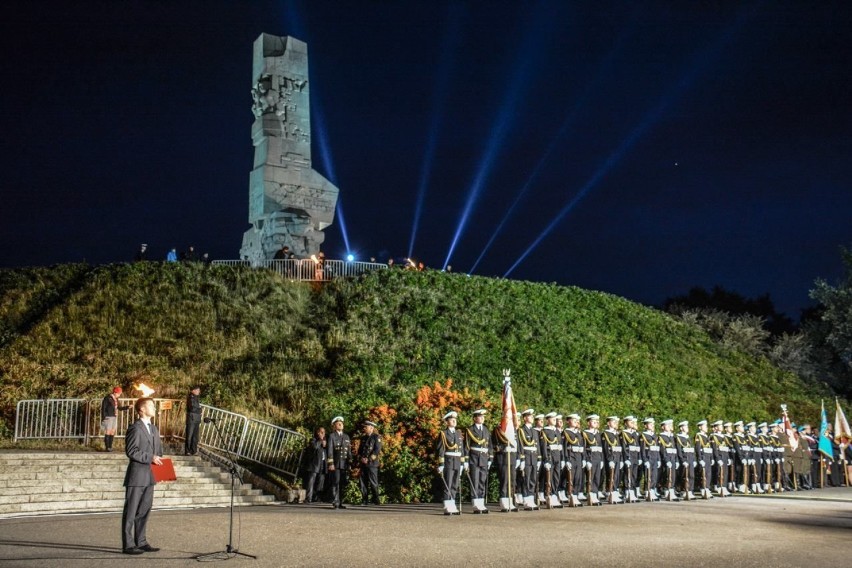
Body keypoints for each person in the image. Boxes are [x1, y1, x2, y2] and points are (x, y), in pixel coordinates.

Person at [121, 397, 163, 555]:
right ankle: (128, 544)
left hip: (150, 476)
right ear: (142, 409)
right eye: (151, 406)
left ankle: (142, 541)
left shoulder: (154, 429)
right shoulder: (135, 428)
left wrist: (160, 463)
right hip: (137, 476)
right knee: (131, 511)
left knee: (144, 510)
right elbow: (131, 451)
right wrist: (150, 457)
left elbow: (158, 451)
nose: (154, 408)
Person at [436, 411, 465, 515]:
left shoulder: (458, 433)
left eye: (455, 419)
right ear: (447, 422)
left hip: (457, 461)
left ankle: (452, 504)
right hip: (448, 460)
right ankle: (447, 505)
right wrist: (441, 464)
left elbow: (461, 449)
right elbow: (441, 449)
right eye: (451, 419)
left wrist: (463, 463)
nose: (454, 421)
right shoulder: (443, 434)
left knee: (454, 484)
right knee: (447, 483)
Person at [464, 409, 493, 513]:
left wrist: (490, 458)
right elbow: (467, 446)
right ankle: (475, 503)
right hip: (474, 458)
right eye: (480, 416)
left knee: (482, 481)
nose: (482, 418)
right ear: (475, 418)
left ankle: (481, 503)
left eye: (483, 416)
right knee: (475, 480)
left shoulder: (486, 429)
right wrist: (466, 461)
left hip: (484, 458)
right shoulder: (470, 430)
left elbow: (490, 445)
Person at [492, 413, 519, 512]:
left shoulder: (513, 430)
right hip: (503, 458)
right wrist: (503, 448)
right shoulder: (498, 430)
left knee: (512, 480)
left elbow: (517, 443)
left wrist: (519, 456)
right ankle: (504, 501)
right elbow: (494, 445)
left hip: (512, 457)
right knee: (504, 481)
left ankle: (510, 501)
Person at [326, 416, 351, 509]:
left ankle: (340, 502)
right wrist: (330, 463)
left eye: (341, 423)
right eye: (338, 423)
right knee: (336, 482)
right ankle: (335, 501)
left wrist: (350, 463)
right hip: (336, 463)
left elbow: (348, 451)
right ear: (334, 426)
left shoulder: (346, 436)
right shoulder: (332, 436)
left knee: (342, 483)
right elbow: (330, 451)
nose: (340, 424)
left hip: (344, 464)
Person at [518, 409, 541, 510]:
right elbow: (520, 445)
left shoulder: (534, 431)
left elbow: (537, 446)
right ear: (524, 418)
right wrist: (521, 459)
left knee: (533, 479)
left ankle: (531, 499)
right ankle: (526, 499)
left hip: (534, 458)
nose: (532, 417)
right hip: (526, 457)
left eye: (532, 416)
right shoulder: (521, 430)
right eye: (530, 416)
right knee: (526, 479)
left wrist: (539, 458)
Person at [562, 413, 585, 506]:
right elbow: (564, 447)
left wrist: (584, 458)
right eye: (573, 419)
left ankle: (575, 495)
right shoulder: (566, 432)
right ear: (568, 421)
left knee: (578, 478)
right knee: (571, 478)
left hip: (579, 457)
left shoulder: (578, 433)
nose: (576, 421)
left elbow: (582, 446)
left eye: (576, 420)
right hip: (571, 457)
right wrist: (566, 459)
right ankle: (570, 494)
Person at [357, 420, 382, 506]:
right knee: (363, 482)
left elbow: (377, 450)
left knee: (373, 482)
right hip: (363, 464)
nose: (364, 428)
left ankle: (376, 499)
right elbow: (360, 450)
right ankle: (364, 500)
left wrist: (369, 459)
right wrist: (361, 458)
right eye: (364, 427)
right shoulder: (363, 438)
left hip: (372, 464)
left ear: (371, 428)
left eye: (366, 427)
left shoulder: (376, 437)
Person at [602, 416, 624, 504]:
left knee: (617, 476)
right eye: (613, 422)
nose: (616, 424)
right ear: (608, 423)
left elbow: (619, 448)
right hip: (611, 458)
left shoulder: (616, 434)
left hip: (618, 457)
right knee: (610, 476)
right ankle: (610, 492)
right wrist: (610, 459)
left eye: (616, 422)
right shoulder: (606, 434)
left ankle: (614, 491)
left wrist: (621, 459)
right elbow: (606, 448)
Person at [583, 414, 604, 506]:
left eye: (596, 421)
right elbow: (584, 448)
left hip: (598, 458)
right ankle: (590, 494)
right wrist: (586, 459)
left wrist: (602, 459)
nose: (595, 422)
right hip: (590, 458)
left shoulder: (598, 434)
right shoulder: (585, 433)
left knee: (597, 478)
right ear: (588, 423)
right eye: (593, 421)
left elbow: (601, 448)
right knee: (590, 478)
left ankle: (595, 494)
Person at [101, 387, 129, 452]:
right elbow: (103, 408)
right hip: (108, 416)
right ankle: (107, 447)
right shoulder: (107, 398)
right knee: (108, 431)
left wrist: (127, 407)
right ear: (115, 392)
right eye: (119, 393)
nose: (119, 395)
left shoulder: (116, 399)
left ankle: (110, 446)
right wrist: (104, 417)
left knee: (113, 431)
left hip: (114, 416)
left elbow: (119, 407)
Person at [658, 419, 679, 501]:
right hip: (667, 459)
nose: (670, 426)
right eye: (668, 425)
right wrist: (666, 460)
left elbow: (675, 449)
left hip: (673, 458)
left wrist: (676, 460)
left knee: (673, 475)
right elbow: (662, 450)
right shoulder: (661, 437)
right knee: (667, 475)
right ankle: (667, 490)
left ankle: (671, 490)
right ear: (663, 427)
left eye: (671, 424)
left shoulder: (672, 437)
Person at [639, 417, 660, 500]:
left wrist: (658, 459)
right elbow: (642, 449)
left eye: (653, 424)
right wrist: (645, 460)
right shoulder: (643, 435)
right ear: (646, 425)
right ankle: (648, 491)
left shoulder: (654, 435)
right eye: (650, 424)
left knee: (654, 475)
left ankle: (652, 490)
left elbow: (657, 449)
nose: (652, 426)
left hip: (655, 458)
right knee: (648, 476)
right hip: (648, 458)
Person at [621, 416, 641, 502]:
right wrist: (625, 458)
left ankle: (632, 491)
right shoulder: (623, 433)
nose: (632, 423)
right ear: (626, 423)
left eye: (633, 421)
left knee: (634, 475)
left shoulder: (635, 434)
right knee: (627, 475)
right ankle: (627, 491)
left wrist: (639, 457)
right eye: (630, 421)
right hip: (629, 456)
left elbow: (638, 447)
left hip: (635, 456)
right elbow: (623, 447)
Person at [304, 427, 327, 503]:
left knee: (320, 482)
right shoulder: (313, 440)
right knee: (311, 482)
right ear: (318, 432)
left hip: (322, 464)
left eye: (324, 432)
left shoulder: (325, 442)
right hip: (314, 464)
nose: (323, 434)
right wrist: (320, 440)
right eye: (321, 432)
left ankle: (316, 498)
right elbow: (315, 447)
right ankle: (308, 498)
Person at [676, 420, 696, 500]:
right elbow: (679, 450)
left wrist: (694, 459)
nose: (687, 428)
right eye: (685, 426)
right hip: (684, 460)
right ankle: (684, 490)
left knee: (691, 475)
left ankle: (690, 490)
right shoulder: (678, 438)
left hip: (690, 458)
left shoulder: (688, 437)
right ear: (681, 428)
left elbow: (691, 449)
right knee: (684, 475)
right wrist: (682, 460)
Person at [694, 420, 714, 499]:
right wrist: (700, 459)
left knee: (708, 474)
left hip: (708, 457)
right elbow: (698, 449)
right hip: (703, 457)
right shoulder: (698, 436)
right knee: (703, 474)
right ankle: (703, 489)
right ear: (700, 427)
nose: (706, 427)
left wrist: (711, 458)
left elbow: (709, 447)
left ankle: (707, 488)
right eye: (705, 426)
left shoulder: (706, 436)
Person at [184, 385, 202, 455]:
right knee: (189, 435)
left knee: (195, 437)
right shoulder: (191, 397)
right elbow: (192, 408)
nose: (199, 392)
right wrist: (200, 410)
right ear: (193, 390)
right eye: (198, 390)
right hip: (191, 419)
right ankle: (188, 451)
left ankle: (193, 450)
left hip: (196, 419)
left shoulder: (196, 398)